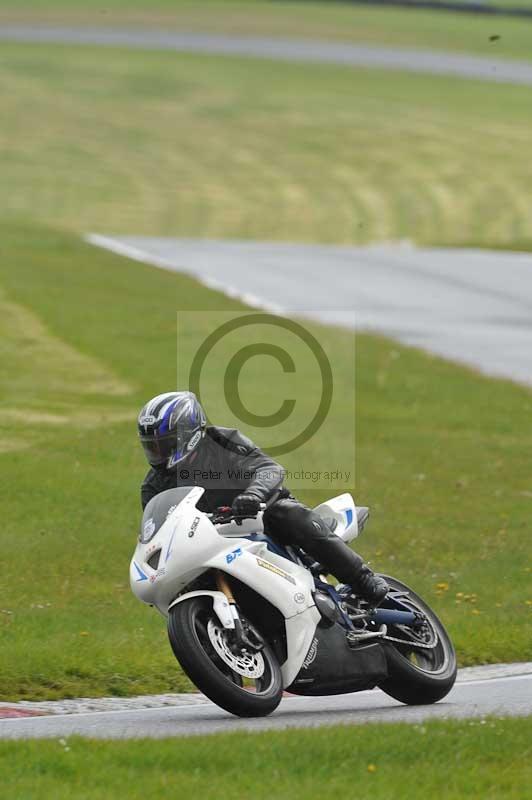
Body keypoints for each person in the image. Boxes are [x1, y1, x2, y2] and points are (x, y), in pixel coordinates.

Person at [138, 391, 388, 604]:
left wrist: (252, 495)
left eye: (165, 444)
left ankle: (363, 579)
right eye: (152, 446)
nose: (158, 453)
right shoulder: (153, 486)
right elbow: (162, 533)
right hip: (213, 540)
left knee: (286, 513)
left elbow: (269, 469)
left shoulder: (222, 442)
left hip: (261, 518)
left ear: (188, 433)